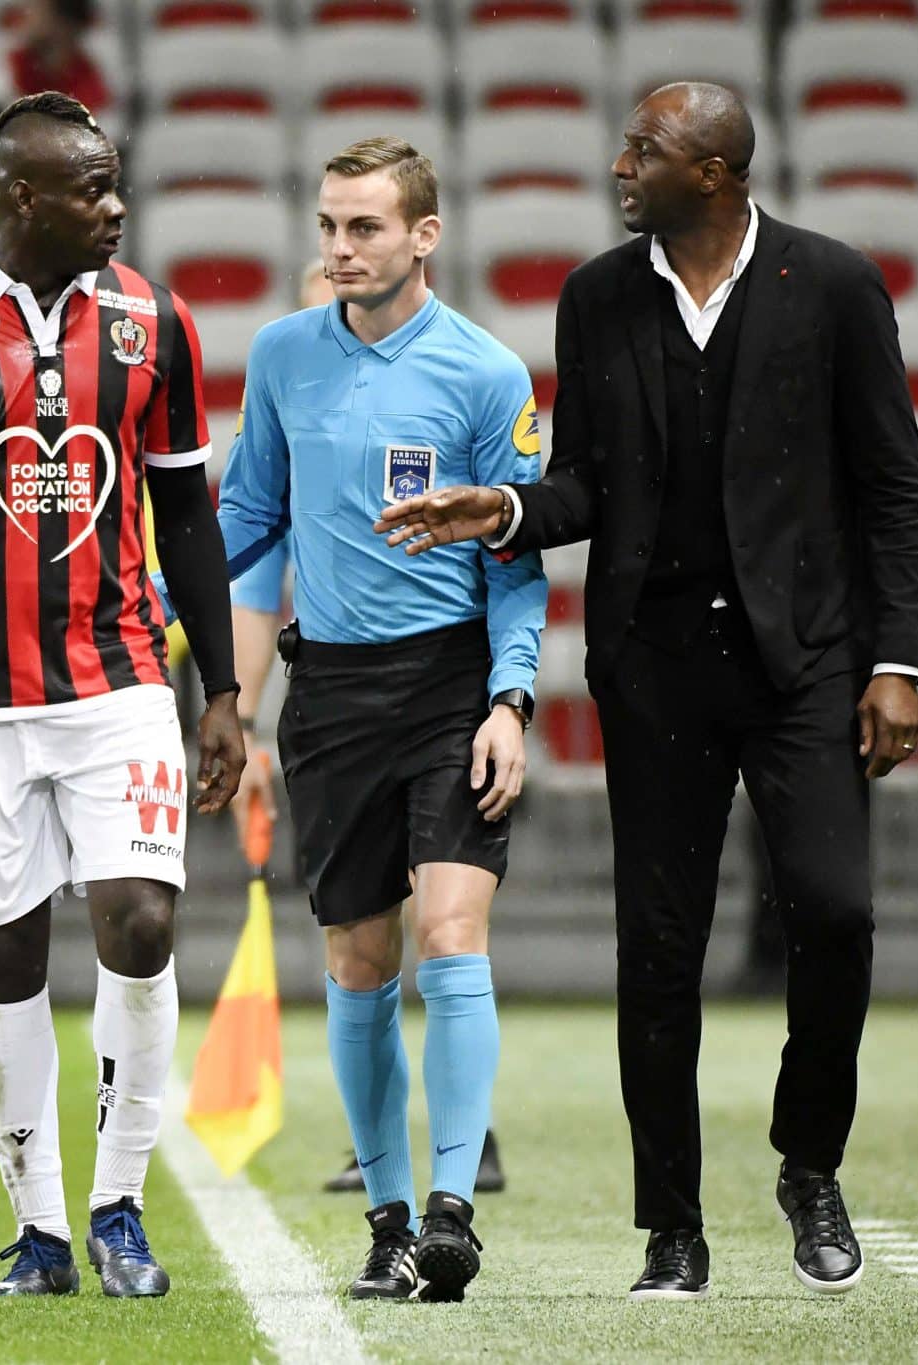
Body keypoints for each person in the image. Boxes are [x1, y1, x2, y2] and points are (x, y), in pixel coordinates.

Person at [375, 83, 918, 1301]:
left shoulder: (832, 286)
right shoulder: (596, 296)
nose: (620, 164)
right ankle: (669, 1229)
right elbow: (582, 483)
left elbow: (891, 484)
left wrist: (897, 658)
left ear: (718, 173)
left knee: (833, 915)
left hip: (805, 666)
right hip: (655, 667)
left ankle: (808, 1165)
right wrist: (507, 509)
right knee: (659, 955)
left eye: (647, 150)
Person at [0, 92, 244, 1299]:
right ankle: (40, 1233)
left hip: (120, 677)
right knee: (7, 961)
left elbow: (183, 507)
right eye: (93, 187)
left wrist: (220, 687)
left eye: (117, 182)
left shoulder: (150, 321)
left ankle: (119, 1207)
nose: (117, 206)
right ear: (23, 196)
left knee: (139, 921)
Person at [210, 137, 547, 1302]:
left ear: (423, 236)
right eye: (327, 228)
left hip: (451, 686)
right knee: (358, 960)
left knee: (452, 937)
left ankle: (452, 1210)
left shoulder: (488, 374)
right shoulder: (279, 356)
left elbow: (515, 558)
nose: (339, 249)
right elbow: (245, 518)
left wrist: (510, 697)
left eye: (362, 228)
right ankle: (388, 1219)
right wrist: (146, 610)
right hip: (335, 696)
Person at [0, 0, 114, 118]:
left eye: (38, 11)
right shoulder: (11, 62)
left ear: (64, 24)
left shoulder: (90, 75)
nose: (27, 17)